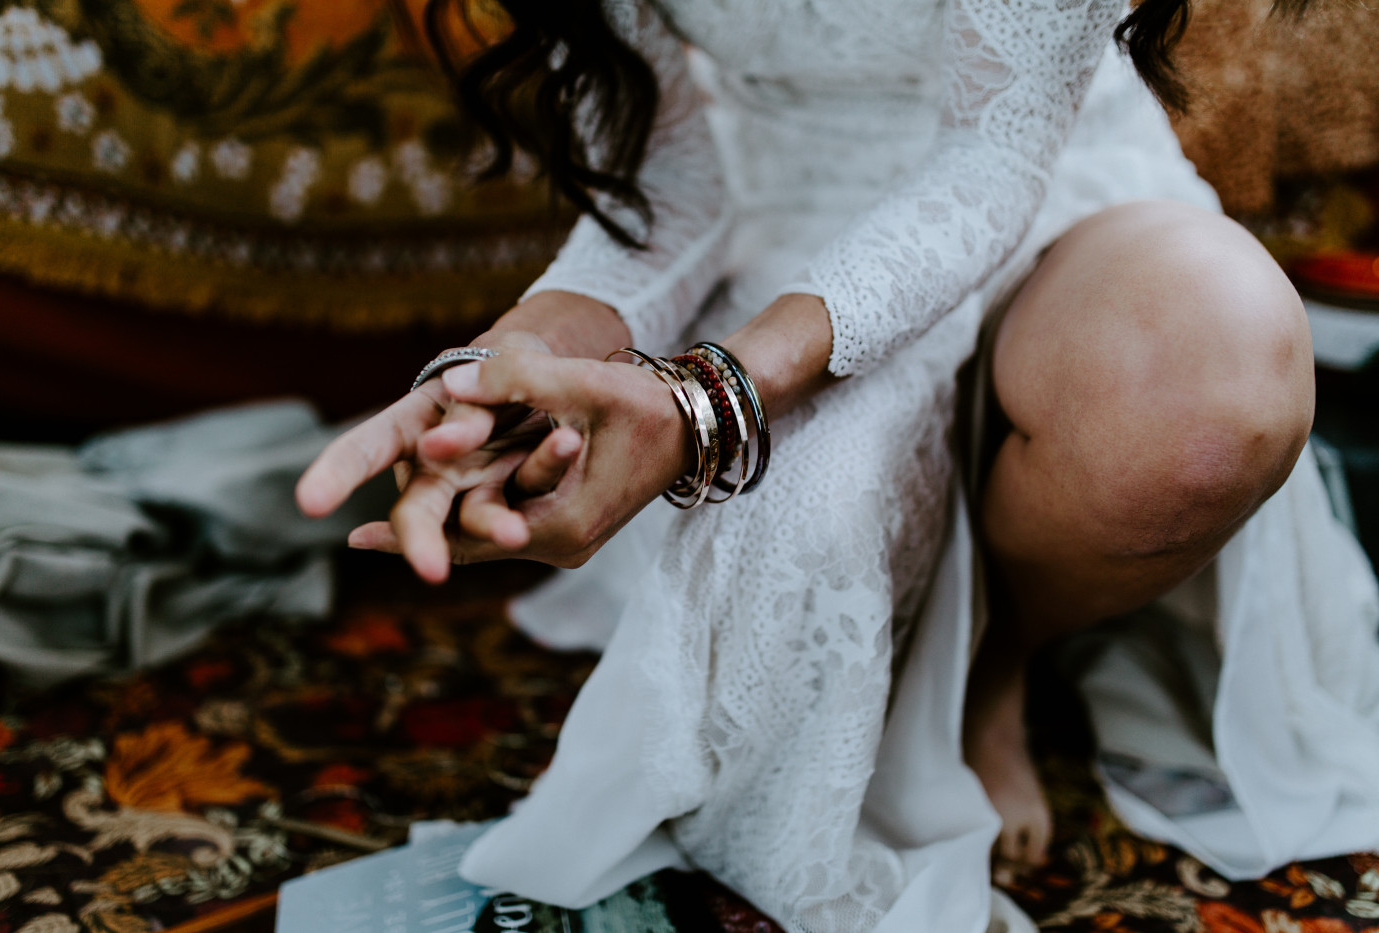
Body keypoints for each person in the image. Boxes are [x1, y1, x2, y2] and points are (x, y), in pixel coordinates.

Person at [296, 0, 1379, 929]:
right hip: (778, 229)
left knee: (1208, 381)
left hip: (1048, 196)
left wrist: (711, 398)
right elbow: (667, 190)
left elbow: (988, 163)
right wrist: (503, 371)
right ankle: (933, 620)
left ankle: (993, 655)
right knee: (807, 519)